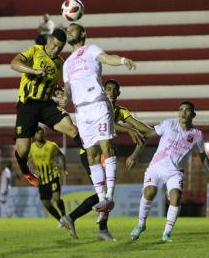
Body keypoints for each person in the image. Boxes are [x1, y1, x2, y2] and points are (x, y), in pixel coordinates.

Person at [60, 23, 137, 215]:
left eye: (73, 29)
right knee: (91, 155)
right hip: (81, 111)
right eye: (67, 30)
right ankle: (102, 199)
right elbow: (68, 88)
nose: (69, 31)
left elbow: (106, 58)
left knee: (106, 148)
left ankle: (109, 195)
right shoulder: (67, 63)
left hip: (98, 104)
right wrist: (64, 97)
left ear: (83, 33)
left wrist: (122, 60)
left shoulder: (91, 49)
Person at [60, 79, 148, 241]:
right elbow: (109, 124)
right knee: (105, 195)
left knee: (105, 195)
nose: (112, 92)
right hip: (90, 155)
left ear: (119, 93)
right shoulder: (95, 105)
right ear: (103, 90)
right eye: (108, 89)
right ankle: (97, 228)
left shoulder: (120, 110)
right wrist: (128, 129)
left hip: (105, 155)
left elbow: (135, 122)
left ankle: (76, 220)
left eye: (115, 90)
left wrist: (155, 131)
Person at [129, 101, 209, 242]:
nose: (183, 113)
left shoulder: (197, 135)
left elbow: (203, 156)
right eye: (181, 109)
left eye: (187, 110)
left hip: (175, 172)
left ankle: (166, 234)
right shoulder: (169, 124)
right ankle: (141, 225)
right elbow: (146, 136)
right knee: (149, 192)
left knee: (176, 197)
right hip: (156, 169)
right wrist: (134, 156)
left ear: (193, 114)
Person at [10, 28, 84, 188]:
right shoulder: (35, 50)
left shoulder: (61, 64)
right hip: (27, 105)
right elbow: (14, 63)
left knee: (72, 129)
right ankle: (26, 170)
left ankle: (90, 155)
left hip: (46, 105)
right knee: (22, 151)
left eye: (60, 47)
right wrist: (34, 71)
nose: (56, 49)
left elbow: (59, 87)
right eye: (55, 45)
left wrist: (65, 96)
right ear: (49, 40)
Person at [28, 126, 67, 224]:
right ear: (34, 135)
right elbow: (26, 160)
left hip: (53, 176)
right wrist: (30, 171)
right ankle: (60, 220)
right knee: (46, 204)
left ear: (44, 134)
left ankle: (63, 215)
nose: (39, 135)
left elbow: (61, 156)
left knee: (57, 199)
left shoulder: (51, 145)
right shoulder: (31, 148)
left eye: (41, 133)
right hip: (41, 179)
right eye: (37, 133)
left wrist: (64, 169)